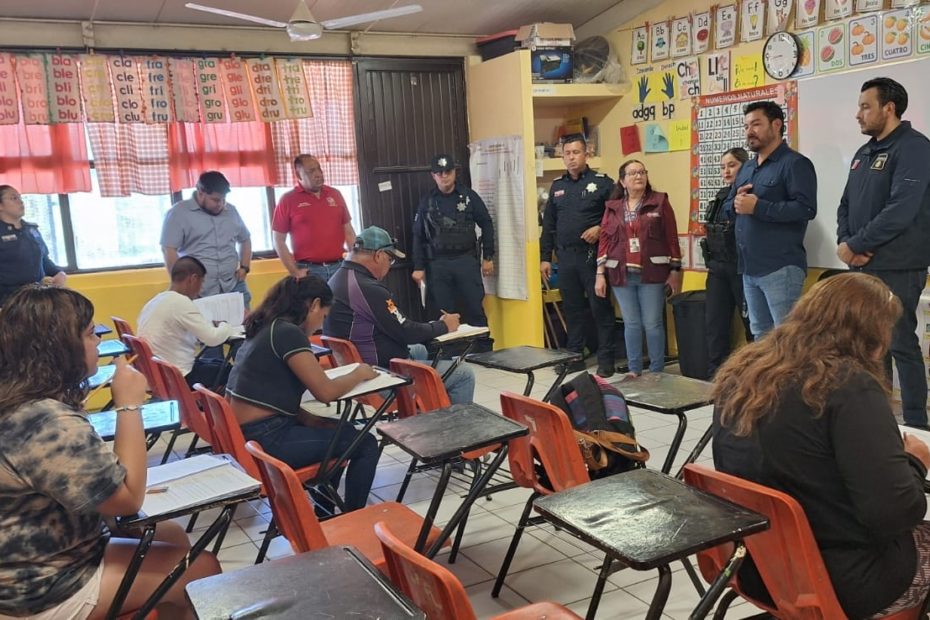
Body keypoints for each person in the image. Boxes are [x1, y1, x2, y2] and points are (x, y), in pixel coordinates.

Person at [712, 273, 930, 619]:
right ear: (870, 332)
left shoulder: (744, 373)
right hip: (844, 580)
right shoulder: (849, 386)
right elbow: (896, 514)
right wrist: (916, 462)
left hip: (756, 566)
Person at [0, 286, 220, 619]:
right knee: (201, 568)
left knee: (172, 534)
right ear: (60, 347)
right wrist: (129, 404)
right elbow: (128, 498)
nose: (98, 343)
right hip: (39, 588)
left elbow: (100, 482)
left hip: (43, 558)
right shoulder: (44, 420)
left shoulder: (21, 400)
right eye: (90, 335)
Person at [226, 275, 380, 512]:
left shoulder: (267, 326)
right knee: (366, 442)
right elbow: (325, 392)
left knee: (342, 431)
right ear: (315, 304)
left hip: (250, 435)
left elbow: (268, 392)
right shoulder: (288, 333)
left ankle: (325, 514)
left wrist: (310, 419)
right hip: (268, 437)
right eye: (323, 316)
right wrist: (358, 373)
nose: (320, 324)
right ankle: (353, 516)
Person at [837, 77, 930, 429]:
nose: (858, 114)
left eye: (865, 106)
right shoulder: (864, 152)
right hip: (861, 265)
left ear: (888, 108)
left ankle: (917, 427)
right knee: (871, 346)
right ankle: (879, 420)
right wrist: (847, 245)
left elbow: (901, 210)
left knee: (901, 343)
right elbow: (845, 204)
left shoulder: (915, 148)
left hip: (898, 265)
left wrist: (856, 245)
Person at [324, 226, 476, 404]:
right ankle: (454, 427)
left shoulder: (337, 279)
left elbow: (398, 327)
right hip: (379, 376)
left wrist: (433, 327)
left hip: (353, 368)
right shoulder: (367, 288)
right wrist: (444, 326)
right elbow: (405, 332)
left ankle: (432, 407)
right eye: (390, 259)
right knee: (464, 374)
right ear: (379, 255)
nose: (389, 265)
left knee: (421, 348)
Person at [723, 101, 817, 337]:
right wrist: (735, 205)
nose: (749, 131)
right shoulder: (747, 168)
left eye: (756, 124)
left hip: (780, 267)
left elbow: (806, 209)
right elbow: (729, 205)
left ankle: (791, 377)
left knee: (787, 338)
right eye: (746, 126)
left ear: (776, 125)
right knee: (759, 336)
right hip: (749, 267)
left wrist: (759, 207)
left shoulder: (795, 164)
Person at [594, 160, 681, 377]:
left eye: (642, 172)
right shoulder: (612, 208)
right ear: (622, 181)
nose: (638, 176)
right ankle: (634, 370)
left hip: (651, 273)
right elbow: (604, 240)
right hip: (620, 274)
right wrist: (600, 274)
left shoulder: (659, 202)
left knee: (652, 323)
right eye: (632, 173)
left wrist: (675, 271)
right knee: (631, 323)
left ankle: (656, 371)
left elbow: (671, 237)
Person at [540, 134, 616, 376]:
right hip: (566, 258)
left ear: (587, 154)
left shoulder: (603, 183)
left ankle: (606, 359)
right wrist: (545, 257)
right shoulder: (558, 187)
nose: (571, 157)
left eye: (576, 152)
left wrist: (600, 228)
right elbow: (549, 223)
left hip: (593, 257)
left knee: (599, 308)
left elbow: (617, 217)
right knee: (571, 309)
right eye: (567, 153)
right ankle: (575, 357)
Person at [411, 153, 495, 327]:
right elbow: (418, 236)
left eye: (448, 171)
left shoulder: (469, 197)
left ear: (454, 172)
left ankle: (484, 353)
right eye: (439, 173)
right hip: (438, 264)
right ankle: (450, 354)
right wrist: (418, 267)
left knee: (475, 309)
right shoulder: (427, 202)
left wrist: (488, 257)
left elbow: (486, 223)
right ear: (433, 175)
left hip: (466, 260)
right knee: (444, 314)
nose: (444, 176)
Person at [138, 256, 242, 390]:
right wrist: (225, 325)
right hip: (178, 376)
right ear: (193, 279)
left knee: (220, 364)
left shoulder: (156, 300)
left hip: (158, 373)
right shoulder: (180, 302)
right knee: (236, 373)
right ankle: (223, 410)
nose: (200, 289)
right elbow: (212, 338)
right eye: (201, 282)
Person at [160, 171, 253, 308]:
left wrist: (245, 267)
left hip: (232, 285)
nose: (220, 204)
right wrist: (182, 284)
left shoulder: (231, 211)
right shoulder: (178, 213)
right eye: (215, 200)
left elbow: (245, 239)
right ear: (200, 192)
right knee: (205, 329)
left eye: (223, 199)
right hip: (198, 290)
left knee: (247, 326)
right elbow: (168, 249)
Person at [701, 148, 753, 375]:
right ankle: (717, 375)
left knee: (753, 325)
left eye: (732, 165)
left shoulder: (751, 194)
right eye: (723, 167)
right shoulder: (722, 196)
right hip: (717, 268)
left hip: (743, 269)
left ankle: (758, 374)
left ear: (745, 166)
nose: (726, 171)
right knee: (715, 325)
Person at [273, 154, 356, 281]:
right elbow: (279, 240)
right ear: (299, 175)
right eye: (311, 171)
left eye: (319, 169)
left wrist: (354, 263)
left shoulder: (335, 194)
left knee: (340, 301)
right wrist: (294, 271)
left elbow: (349, 232)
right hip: (309, 270)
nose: (318, 174)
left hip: (339, 267)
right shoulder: (288, 200)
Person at [0, 185, 66, 306]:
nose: (20, 201)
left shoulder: (31, 230)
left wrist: (59, 273)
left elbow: (43, 260)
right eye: (13, 198)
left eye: (20, 197)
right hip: (8, 301)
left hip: (36, 298)